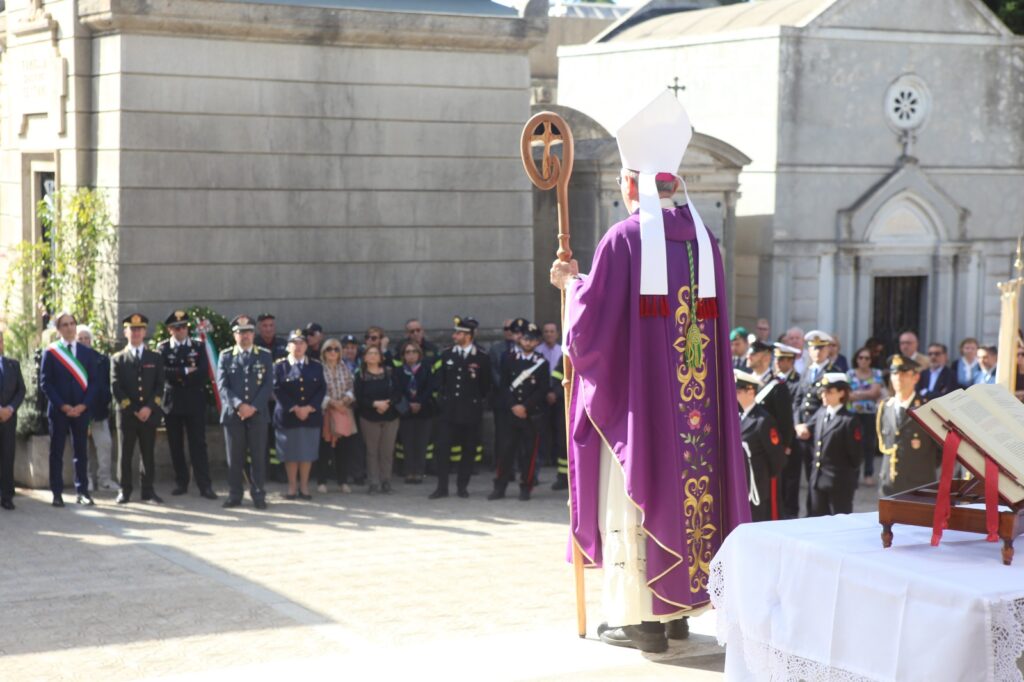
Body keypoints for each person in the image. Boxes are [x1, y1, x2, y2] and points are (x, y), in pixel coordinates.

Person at [550, 91, 749, 653]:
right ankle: (679, 611)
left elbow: (590, 330)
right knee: (695, 495)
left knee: (631, 495)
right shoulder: (706, 243)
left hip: (641, 411)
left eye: (621, 179)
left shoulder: (624, 238)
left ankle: (642, 619)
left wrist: (569, 286)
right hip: (700, 418)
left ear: (634, 183)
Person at [40, 311, 101, 507]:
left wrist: (83, 405)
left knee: (80, 451)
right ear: (58, 330)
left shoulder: (86, 352)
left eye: (72, 323)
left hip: (81, 410)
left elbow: (94, 382)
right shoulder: (50, 352)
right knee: (56, 452)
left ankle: (82, 491)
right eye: (64, 325)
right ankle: (57, 493)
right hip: (59, 410)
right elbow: (45, 383)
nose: (69, 327)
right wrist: (63, 406)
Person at [429, 316, 492, 499]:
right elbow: (439, 380)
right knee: (442, 448)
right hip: (449, 411)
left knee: (468, 449)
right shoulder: (447, 354)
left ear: (469, 335)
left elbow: (485, 385)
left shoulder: (481, 357)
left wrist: (478, 402)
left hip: (470, 412)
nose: (455, 335)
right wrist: (441, 400)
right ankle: (442, 487)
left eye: (459, 333)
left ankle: (462, 486)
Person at [157, 310, 216, 500]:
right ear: (170, 330)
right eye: (176, 328)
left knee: (198, 444)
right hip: (173, 402)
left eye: (183, 327)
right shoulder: (163, 348)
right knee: (175, 444)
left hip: (194, 401)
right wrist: (183, 370)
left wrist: (180, 374)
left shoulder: (198, 346)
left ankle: (204, 485)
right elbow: (162, 372)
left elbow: (202, 373)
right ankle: (181, 482)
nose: (181, 331)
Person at [217, 315, 273, 509]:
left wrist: (253, 407)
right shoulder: (225, 356)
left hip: (257, 414)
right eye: (240, 333)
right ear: (234, 335)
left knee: (258, 457)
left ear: (253, 333)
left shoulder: (264, 355)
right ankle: (234, 494)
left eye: (248, 332)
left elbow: (267, 385)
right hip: (234, 415)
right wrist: (239, 405)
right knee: (235, 457)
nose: (245, 336)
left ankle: (258, 495)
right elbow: (222, 387)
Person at [489, 322, 549, 501]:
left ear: (537, 342)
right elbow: (503, 385)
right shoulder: (508, 358)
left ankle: (526, 486)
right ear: (519, 339)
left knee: (528, 453)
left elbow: (542, 389)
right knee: (505, 451)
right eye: (525, 338)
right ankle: (500, 486)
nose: (528, 342)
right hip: (510, 413)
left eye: (532, 339)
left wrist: (526, 407)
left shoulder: (541, 363)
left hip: (530, 415)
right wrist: (514, 406)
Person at [112, 314, 166, 505]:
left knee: (148, 454)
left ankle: (148, 490)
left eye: (139, 330)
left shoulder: (155, 357)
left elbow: (160, 386)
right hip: (128, 415)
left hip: (149, 415)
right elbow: (116, 387)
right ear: (125, 332)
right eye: (132, 330)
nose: (135, 333)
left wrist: (149, 408)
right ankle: (124, 490)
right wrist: (135, 409)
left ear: (144, 332)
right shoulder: (118, 359)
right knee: (125, 454)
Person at [786, 330, 839, 518]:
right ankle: (792, 515)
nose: (816, 352)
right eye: (813, 348)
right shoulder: (808, 371)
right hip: (800, 432)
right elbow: (798, 401)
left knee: (813, 478)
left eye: (820, 348)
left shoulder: (833, 372)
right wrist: (797, 424)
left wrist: (807, 426)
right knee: (793, 477)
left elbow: (826, 405)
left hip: (818, 432)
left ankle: (813, 515)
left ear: (827, 350)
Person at [273, 330, 326, 500]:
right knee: (291, 454)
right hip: (289, 415)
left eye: (302, 343)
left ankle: (304, 487)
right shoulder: (280, 366)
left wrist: (310, 407)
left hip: (310, 415)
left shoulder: (316, 366)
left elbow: (321, 389)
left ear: (306, 345)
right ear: (288, 346)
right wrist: (295, 408)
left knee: (306, 453)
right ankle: (292, 487)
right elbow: (276, 389)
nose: (298, 346)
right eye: (294, 343)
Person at [877, 354, 940, 495]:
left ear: (916, 377)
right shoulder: (885, 407)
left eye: (904, 373)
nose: (898, 377)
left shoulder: (926, 409)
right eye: (894, 373)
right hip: (889, 484)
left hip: (918, 485)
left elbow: (939, 451)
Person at [746, 338, 793, 519]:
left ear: (766, 358)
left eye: (754, 353)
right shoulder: (745, 382)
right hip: (748, 451)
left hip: (768, 452)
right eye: (749, 352)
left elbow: (785, 423)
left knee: (769, 500)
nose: (749, 356)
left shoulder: (777, 387)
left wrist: (782, 449)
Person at [807, 373, 862, 516]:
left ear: (841, 393)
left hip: (839, 483)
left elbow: (855, 456)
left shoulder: (849, 420)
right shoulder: (821, 414)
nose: (824, 395)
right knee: (818, 522)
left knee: (840, 523)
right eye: (822, 391)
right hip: (818, 480)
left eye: (829, 392)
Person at [736, 370, 784, 522]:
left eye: (737, 391)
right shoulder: (736, 416)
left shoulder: (763, 420)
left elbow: (777, 458)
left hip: (757, 485)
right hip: (740, 483)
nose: (733, 395)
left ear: (750, 391)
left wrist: (764, 479)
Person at [76, 325, 119, 492]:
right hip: (80, 411)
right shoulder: (72, 360)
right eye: (81, 338)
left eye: (87, 338)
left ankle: (104, 480)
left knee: (105, 444)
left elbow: (105, 385)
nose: (85, 341)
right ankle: (86, 480)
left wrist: (105, 402)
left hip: (99, 411)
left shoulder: (101, 360)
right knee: (82, 448)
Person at [354, 345, 402, 494]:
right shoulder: (360, 375)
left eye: (376, 353)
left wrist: (387, 403)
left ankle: (386, 481)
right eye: (370, 353)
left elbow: (398, 392)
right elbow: (359, 397)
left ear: (381, 357)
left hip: (390, 416)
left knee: (387, 450)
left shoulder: (390, 372)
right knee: (372, 451)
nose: (373, 356)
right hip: (369, 417)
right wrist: (375, 404)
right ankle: (373, 482)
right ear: (365, 357)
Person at [315, 337, 357, 493]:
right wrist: (332, 402)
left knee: (343, 449)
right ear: (323, 352)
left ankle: (343, 481)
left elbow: (351, 388)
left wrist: (344, 401)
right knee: (324, 449)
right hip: (326, 412)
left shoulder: (345, 367)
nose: (333, 352)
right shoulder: (318, 368)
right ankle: (321, 481)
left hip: (343, 411)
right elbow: (316, 390)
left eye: (336, 349)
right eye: (329, 349)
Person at [396, 340, 433, 484]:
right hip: (406, 411)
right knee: (408, 442)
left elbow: (430, 388)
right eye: (407, 352)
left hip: (424, 410)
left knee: (421, 442)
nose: (411, 355)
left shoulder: (426, 369)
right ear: (403, 355)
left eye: (414, 352)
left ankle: (419, 471)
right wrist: (409, 404)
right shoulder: (399, 371)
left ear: (419, 354)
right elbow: (398, 390)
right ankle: (409, 471)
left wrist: (419, 402)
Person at [847, 346, 883, 486]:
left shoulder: (876, 373)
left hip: (869, 414)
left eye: (867, 358)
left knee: (869, 444)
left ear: (871, 360)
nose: (863, 360)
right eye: (860, 357)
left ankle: (868, 473)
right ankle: (853, 475)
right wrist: (866, 393)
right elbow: (847, 395)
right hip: (852, 414)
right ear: (856, 359)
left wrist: (857, 394)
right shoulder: (850, 374)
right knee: (853, 445)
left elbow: (875, 393)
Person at [0, 330, 26, 510]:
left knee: (8, 457)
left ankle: (7, 495)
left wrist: (10, 408)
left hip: (9, 418)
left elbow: (21, 390)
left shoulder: (13, 365)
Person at [339, 334, 368, 485]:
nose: (350, 351)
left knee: (359, 442)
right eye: (346, 348)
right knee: (343, 442)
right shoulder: (337, 364)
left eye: (353, 348)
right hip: (343, 407)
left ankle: (359, 473)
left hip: (360, 407)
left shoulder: (363, 364)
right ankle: (343, 473)